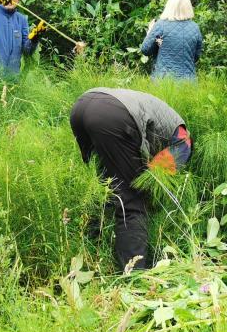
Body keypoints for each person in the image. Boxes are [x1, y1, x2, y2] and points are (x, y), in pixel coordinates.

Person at [69, 88, 193, 272]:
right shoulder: (184, 143)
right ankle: (134, 276)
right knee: (132, 202)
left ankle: (91, 251)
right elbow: (153, 178)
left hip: (82, 105)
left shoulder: (169, 122)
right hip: (113, 115)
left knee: (104, 188)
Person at [140, 0, 203, 81]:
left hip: (162, 81)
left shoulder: (161, 25)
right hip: (188, 82)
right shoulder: (195, 27)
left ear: (169, 6)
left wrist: (149, 32)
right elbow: (196, 57)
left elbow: (146, 50)